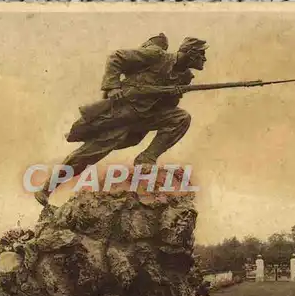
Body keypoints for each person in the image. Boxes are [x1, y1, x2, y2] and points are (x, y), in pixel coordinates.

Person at [35, 34, 208, 205]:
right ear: (190, 53)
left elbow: (166, 107)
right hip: (122, 115)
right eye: (201, 54)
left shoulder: (185, 77)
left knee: (181, 117)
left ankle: (147, 158)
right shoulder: (156, 56)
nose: (204, 59)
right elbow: (116, 57)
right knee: (88, 154)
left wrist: (173, 95)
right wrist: (112, 87)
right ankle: (46, 189)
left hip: (145, 118)